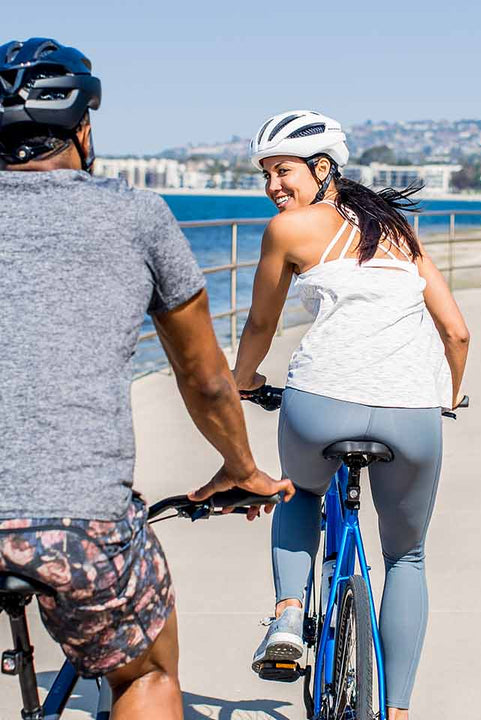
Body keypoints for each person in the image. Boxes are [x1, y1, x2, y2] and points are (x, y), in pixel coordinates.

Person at [0, 38, 293, 719]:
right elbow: (206, 378)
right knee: (147, 674)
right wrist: (240, 466)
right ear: (84, 130)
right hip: (77, 520)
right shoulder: (134, 214)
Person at [232, 109, 469, 718]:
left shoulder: (288, 232)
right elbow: (457, 332)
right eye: (265, 176)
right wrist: (447, 395)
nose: (272, 188)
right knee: (406, 557)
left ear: (322, 166)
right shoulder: (399, 234)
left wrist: (242, 381)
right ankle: (397, 709)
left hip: (320, 405)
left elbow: (262, 321)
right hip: (412, 414)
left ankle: (288, 617)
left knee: (298, 495)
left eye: (282, 171)